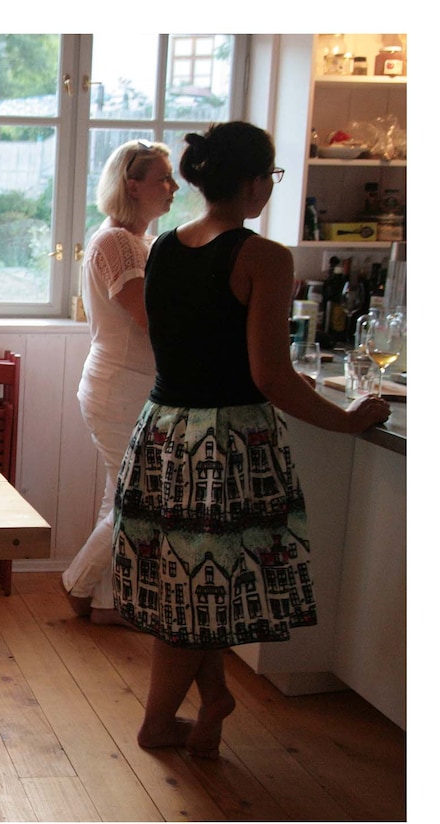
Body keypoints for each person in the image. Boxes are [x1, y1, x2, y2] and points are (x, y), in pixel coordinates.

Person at [111, 121, 391, 758]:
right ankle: (158, 725)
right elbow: (272, 376)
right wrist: (346, 420)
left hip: (163, 429)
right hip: (228, 441)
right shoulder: (263, 256)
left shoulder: (162, 247)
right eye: (273, 177)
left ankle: (212, 699)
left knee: (186, 585)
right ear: (256, 182)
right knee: (201, 585)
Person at [63, 139, 178, 625]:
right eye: (163, 179)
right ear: (133, 184)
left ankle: (111, 603)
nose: (173, 188)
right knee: (140, 499)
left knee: (123, 493)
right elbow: (153, 319)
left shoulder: (137, 241)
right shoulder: (119, 242)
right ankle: (76, 582)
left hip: (129, 384)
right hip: (121, 387)